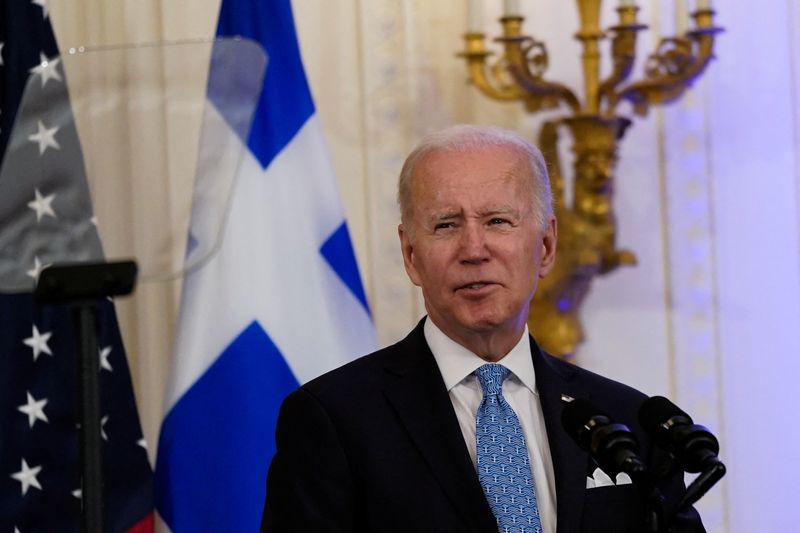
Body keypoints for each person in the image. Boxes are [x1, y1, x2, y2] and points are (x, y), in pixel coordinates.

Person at [261, 125, 704, 532]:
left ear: (546, 246)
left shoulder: (627, 420)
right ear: (411, 254)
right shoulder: (334, 420)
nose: (474, 249)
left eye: (497, 221)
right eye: (446, 225)